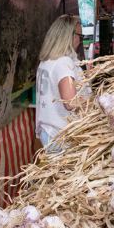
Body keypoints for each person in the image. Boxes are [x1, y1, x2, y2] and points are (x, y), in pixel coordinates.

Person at [36, 15, 87, 149]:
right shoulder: (64, 62)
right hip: (60, 135)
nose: (80, 41)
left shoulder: (47, 60)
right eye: (79, 36)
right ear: (68, 36)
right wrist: (97, 103)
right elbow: (69, 102)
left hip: (49, 132)